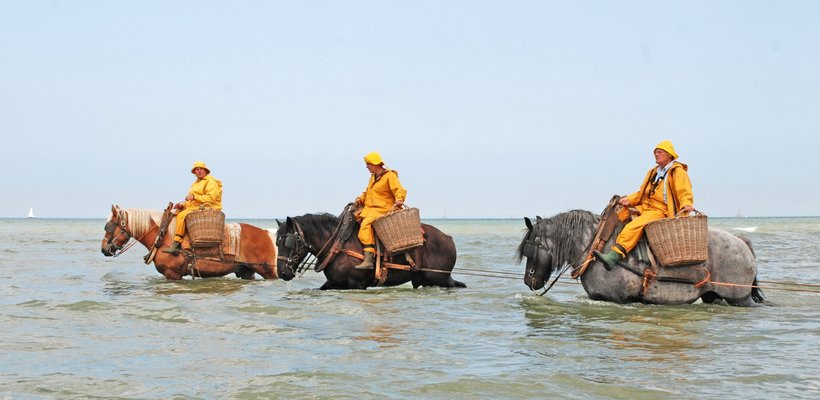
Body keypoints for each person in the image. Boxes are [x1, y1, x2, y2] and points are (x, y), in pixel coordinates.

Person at [594, 140, 696, 269]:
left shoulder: (677, 171)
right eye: (655, 152)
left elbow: (684, 191)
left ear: (669, 154)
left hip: (661, 210)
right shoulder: (654, 172)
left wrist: (687, 204)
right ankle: (600, 244)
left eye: (659, 152)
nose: (656, 155)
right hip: (646, 207)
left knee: (634, 225)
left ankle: (615, 255)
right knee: (618, 212)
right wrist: (629, 200)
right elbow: (642, 193)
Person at [353, 151, 407, 269]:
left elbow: (398, 190)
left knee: (366, 225)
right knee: (352, 218)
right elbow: (368, 193)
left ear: (375, 164)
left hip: (383, 209)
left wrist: (399, 199)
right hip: (370, 208)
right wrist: (360, 199)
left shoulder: (389, 175)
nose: (366, 167)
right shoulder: (373, 177)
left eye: (368, 164)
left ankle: (368, 260)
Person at [163, 161, 223, 255]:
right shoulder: (195, 184)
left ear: (205, 171)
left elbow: (211, 198)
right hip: (197, 206)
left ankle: (176, 243)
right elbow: (192, 203)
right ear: (194, 172)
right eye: (196, 169)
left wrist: (194, 197)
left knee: (182, 215)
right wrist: (182, 205)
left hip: (209, 207)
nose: (199, 171)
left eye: (201, 169)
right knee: (175, 214)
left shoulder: (211, 181)